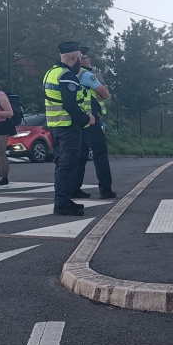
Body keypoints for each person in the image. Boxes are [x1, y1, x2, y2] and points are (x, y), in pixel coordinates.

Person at [43, 41, 94, 216]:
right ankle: (62, 204)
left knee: (62, 165)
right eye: (80, 57)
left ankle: (65, 199)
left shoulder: (51, 73)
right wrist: (87, 119)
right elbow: (70, 104)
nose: (81, 60)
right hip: (68, 128)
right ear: (74, 57)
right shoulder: (66, 76)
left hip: (55, 127)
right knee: (67, 166)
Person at [72, 46, 116, 200]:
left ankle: (74, 188)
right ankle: (105, 189)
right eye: (86, 57)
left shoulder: (68, 75)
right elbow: (105, 93)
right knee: (100, 154)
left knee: (80, 156)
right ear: (81, 60)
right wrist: (99, 94)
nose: (89, 59)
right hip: (90, 120)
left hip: (76, 120)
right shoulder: (86, 75)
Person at [0, 86, 14, 187]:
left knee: (0, 151)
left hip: (2, 126)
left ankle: (4, 177)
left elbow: (9, 112)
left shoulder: (0, 95)